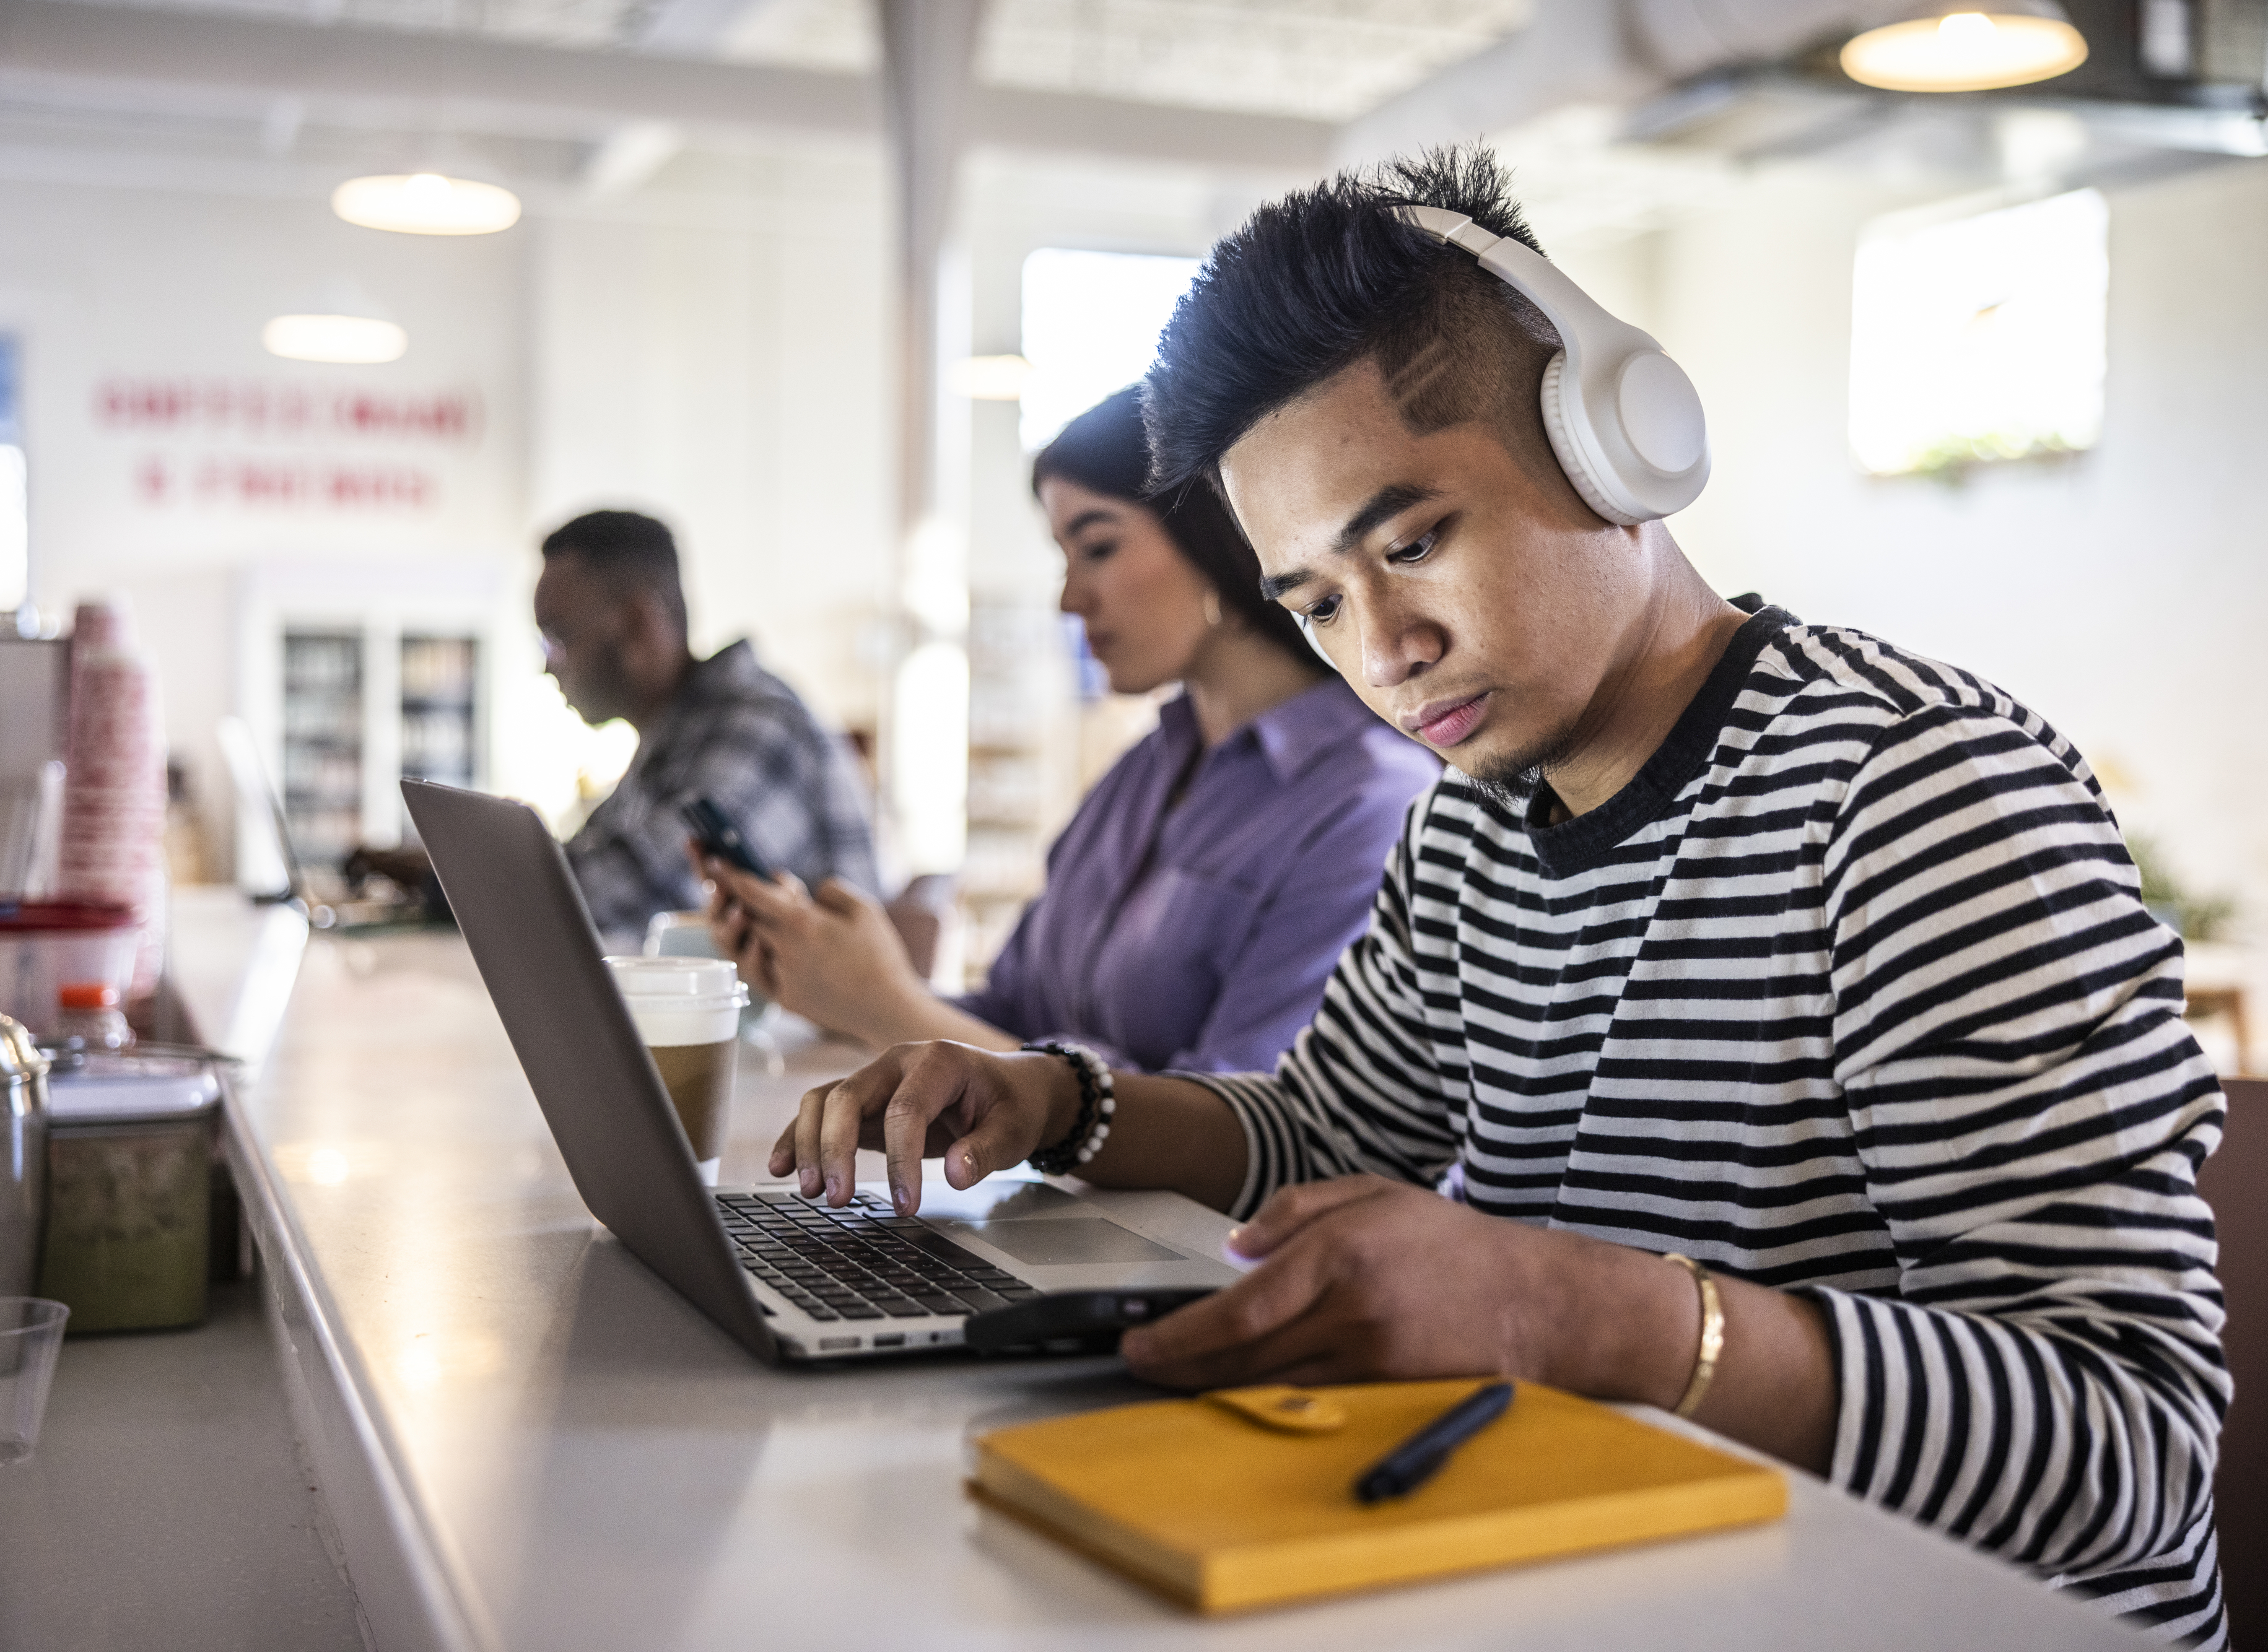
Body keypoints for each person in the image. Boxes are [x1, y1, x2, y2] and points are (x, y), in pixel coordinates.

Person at [770, 150, 2227, 1645]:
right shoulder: (1476, 818)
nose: (1383, 650)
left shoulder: (1916, 795)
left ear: (1614, 445)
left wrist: (1577, 1315)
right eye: (1318, 602)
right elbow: (1327, 1133)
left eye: (1412, 543)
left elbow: (2131, 1446)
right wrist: (1055, 1107)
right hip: (1609, 1579)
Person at [700, 388, 1437, 1072]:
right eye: (1063, 556)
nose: (1068, 599)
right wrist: (835, 988)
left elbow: (1245, 1131)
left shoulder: (1369, 803)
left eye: (1098, 547)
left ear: (1216, 533)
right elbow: (1013, 1018)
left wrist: (888, 1005)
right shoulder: (1143, 772)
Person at [357, 509, 879, 949]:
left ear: (637, 624)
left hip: (825, 1058)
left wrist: (436, 880)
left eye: (557, 639)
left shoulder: (756, 726)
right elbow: (581, 866)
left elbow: (619, 898)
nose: (548, 667)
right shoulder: (674, 736)